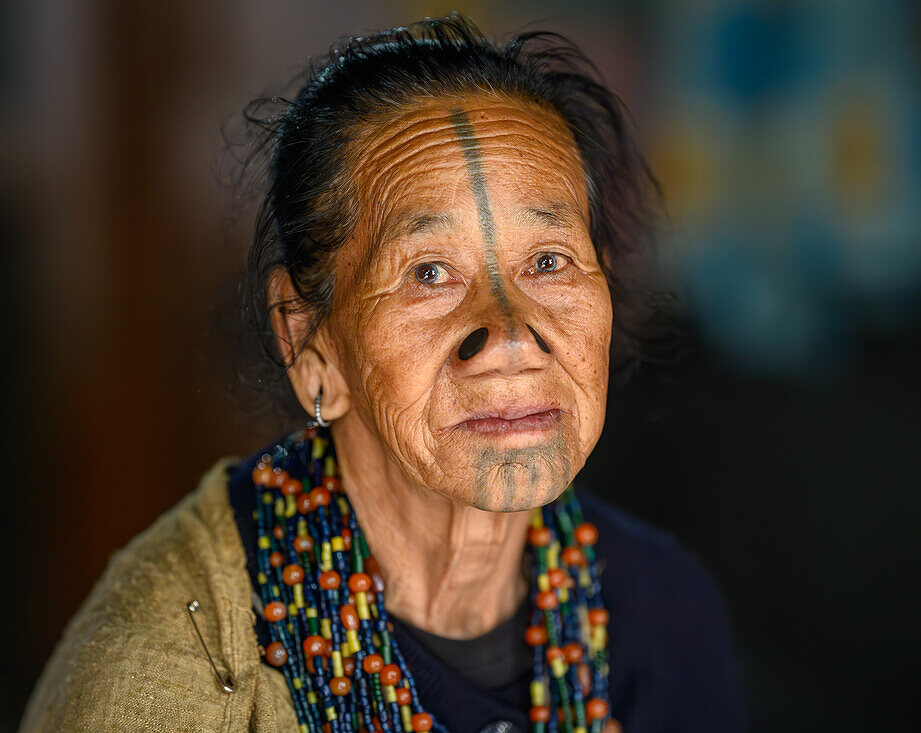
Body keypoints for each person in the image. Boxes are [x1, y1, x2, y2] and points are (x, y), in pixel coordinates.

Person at [21, 15, 743, 733]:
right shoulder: (179, 668)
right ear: (309, 343)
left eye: (549, 261)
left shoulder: (661, 612)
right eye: (430, 272)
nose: (513, 334)